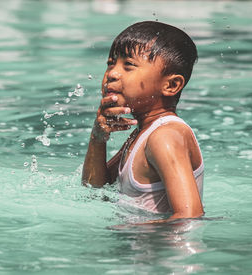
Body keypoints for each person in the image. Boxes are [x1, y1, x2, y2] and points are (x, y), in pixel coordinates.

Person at [82, 21, 204, 224]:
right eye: (111, 63)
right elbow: (94, 191)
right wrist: (98, 138)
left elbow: (189, 217)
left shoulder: (164, 137)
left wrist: (130, 228)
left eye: (128, 66)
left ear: (171, 85)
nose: (112, 73)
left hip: (163, 253)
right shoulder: (142, 134)